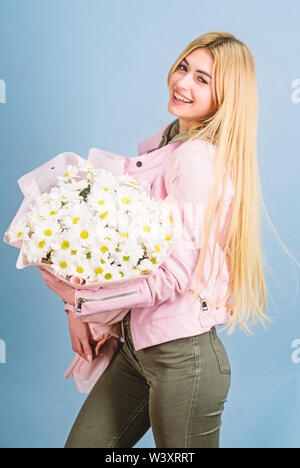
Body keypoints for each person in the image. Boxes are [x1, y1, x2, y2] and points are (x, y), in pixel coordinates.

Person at [39, 31, 269, 448]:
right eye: (184, 68)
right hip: (135, 353)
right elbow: (127, 255)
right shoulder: (165, 145)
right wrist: (81, 310)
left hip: (184, 360)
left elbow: (175, 274)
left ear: (226, 96)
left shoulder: (196, 158)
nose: (183, 83)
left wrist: (81, 300)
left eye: (203, 79)